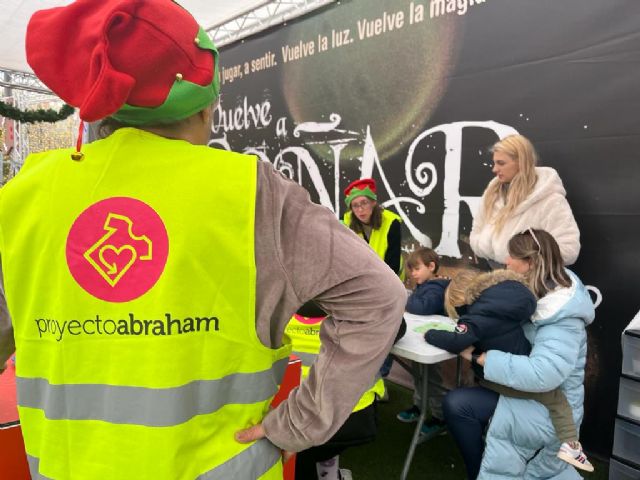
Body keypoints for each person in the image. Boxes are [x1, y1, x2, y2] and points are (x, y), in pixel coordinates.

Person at [0, 2, 406, 479]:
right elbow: (379, 298)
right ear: (206, 100)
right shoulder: (251, 191)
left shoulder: (23, 195)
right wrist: (299, 424)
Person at [442, 229, 595, 480]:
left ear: (531, 262)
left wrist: (479, 357)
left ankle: (476, 472)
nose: (507, 262)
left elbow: (543, 375)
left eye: (512, 256)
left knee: (458, 405)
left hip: (547, 407)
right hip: (527, 391)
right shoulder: (532, 294)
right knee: (460, 402)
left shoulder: (562, 316)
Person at [470, 134, 580, 268]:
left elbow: (568, 249)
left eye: (501, 163)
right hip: (493, 274)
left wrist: (526, 262)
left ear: (521, 162)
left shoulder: (550, 200)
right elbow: (477, 230)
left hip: (531, 284)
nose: (494, 169)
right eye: (494, 163)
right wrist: (481, 245)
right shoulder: (492, 195)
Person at [396, 248, 450, 436]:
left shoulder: (436, 287)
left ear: (431, 266)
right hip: (423, 339)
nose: (413, 274)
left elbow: (422, 307)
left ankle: (440, 418)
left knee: (431, 380)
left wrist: (404, 300)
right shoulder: (427, 285)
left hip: (432, 344)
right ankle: (419, 407)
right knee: (419, 376)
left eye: (416, 269)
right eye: (411, 270)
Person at [343, 178, 402, 276]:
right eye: (355, 205)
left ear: (373, 202)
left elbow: (393, 265)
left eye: (364, 203)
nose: (360, 209)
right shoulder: (344, 223)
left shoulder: (392, 222)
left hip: (389, 279)